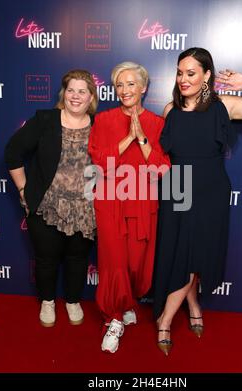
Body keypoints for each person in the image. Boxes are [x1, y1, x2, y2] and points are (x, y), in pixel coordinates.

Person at [153, 47, 242, 355]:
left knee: (199, 252)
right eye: (180, 72)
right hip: (177, 187)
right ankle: (193, 302)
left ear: (207, 75)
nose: (183, 79)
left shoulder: (224, 105)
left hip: (210, 189)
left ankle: (165, 319)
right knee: (178, 253)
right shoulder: (170, 110)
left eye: (191, 73)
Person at [5, 69, 98, 327]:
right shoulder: (45, 120)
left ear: (91, 96)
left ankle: (72, 300)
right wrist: (24, 190)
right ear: (63, 93)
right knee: (46, 259)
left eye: (82, 91)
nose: (75, 96)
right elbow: (13, 152)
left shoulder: (100, 125)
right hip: (46, 206)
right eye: (71, 90)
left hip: (84, 209)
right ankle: (47, 301)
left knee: (78, 259)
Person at [88, 61, 171, 353]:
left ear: (143, 87)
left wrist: (142, 138)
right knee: (113, 262)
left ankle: (127, 301)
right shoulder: (103, 120)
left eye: (131, 84)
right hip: (110, 200)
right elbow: (99, 164)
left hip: (142, 201)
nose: (125, 90)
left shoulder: (158, 124)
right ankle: (113, 318)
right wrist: (127, 139)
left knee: (137, 266)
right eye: (119, 85)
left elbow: (162, 169)